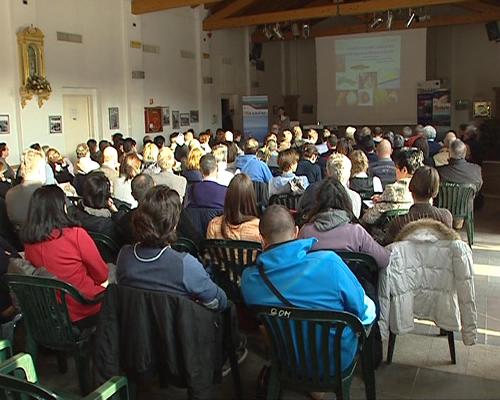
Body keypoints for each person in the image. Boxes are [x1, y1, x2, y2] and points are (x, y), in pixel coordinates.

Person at [241, 205, 376, 373]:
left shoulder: (249, 279)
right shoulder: (329, 262)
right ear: (296, 232)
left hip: (288, 357)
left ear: (262, 239)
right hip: (336, 360)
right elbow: (362, 311)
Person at [116, 185, 227, 311]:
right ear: (174, 225)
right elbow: (218, 302)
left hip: (136, 327)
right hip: (178, 328)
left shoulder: (124, 256)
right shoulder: (186, 265)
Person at [22, 185, 108, 324]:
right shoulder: (76, 235)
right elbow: (102, 275)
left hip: (51, 312)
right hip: (85, 307)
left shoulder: (29, 242)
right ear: (61, 208)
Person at [299, 178, 390, 269]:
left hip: (315, 282)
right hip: (352, 282)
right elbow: (384, 260)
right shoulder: (357, 232)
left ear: (318, 203)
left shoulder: (306, 232)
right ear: (346, 201)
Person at [385, 166, 453, 244]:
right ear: (435, 192)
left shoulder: (399, 222)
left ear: (411, 187)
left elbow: (389, 248)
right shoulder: (446, 217)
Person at [362, 148, 424, 226]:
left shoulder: (393, 190)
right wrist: (382, 198)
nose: (395, 171)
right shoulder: (423, 188)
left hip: (388, 234)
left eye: (396, 168)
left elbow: (369, 218)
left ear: (404, 170)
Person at [297, 153, 362, 222]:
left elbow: (299, 209)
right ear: (348, 174)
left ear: (327, 171)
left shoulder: (311, 190)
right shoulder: (355, 198)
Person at [68, 172, 125, 245]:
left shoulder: (71, 215)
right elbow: (126, 232)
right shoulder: (109, 225)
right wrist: (116, 213)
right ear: (106, 197)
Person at [207, 174, 260, 243]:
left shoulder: (213, 225)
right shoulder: (259, 229)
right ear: (251, 198)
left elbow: (208, 253)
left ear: (228, 197)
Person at [6, 148, 46, 230]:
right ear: (40, 169)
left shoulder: (10, 194)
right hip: (44, 237)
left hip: (18, 238)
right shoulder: (47, 194)